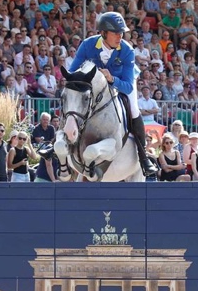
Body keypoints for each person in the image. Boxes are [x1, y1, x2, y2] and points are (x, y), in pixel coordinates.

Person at [67, 12, 158, 176]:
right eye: (116, 33)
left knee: (134, 109)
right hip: (95, 86)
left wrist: (112, 79)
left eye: (121, 32)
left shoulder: (127, 50)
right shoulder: (88, 45)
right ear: (103, 33)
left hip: (121, 83)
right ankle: (57, 141)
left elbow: (128, 87)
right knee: (73, 98)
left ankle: (143, 156)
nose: (120, 36)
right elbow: (72, 72)